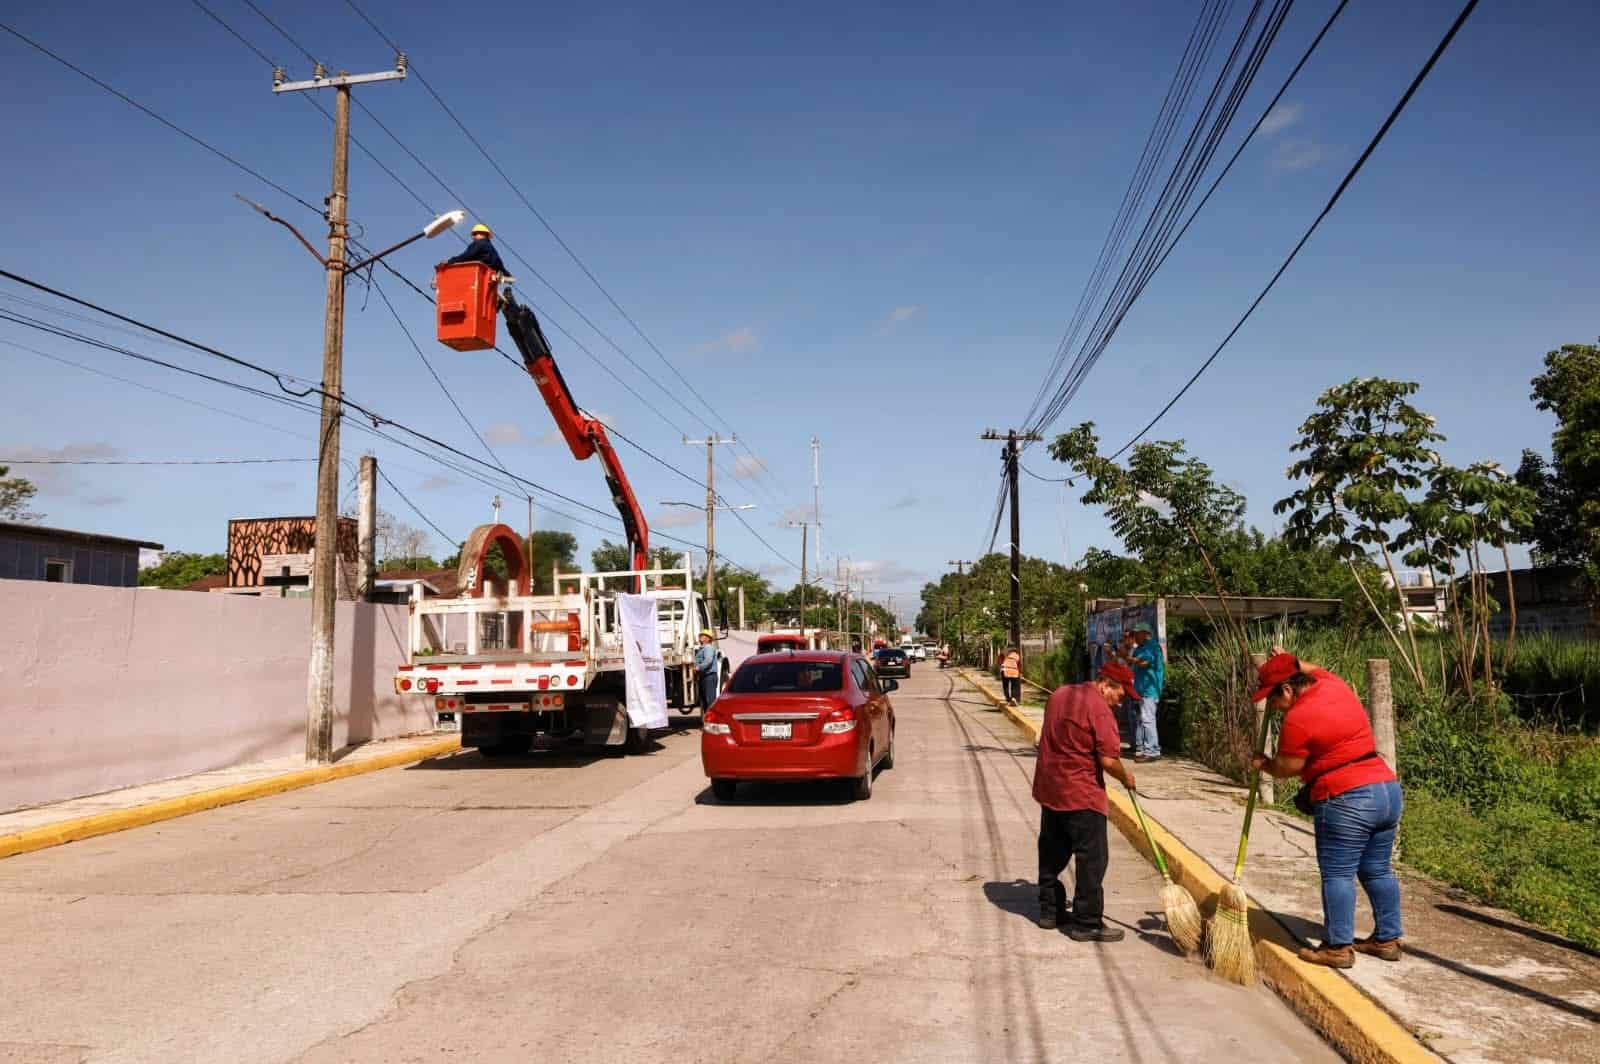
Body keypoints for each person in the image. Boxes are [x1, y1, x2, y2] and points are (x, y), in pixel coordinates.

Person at [1249, 650, 1404, 969]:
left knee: (1338, 875)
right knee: (1378, 870)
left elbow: (1288, 768)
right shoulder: (1333, 684)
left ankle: (1337, 947)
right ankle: (1387, 939)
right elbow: (1311, 667)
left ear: (1288, 689)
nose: (1273, 707)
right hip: (1386, 790)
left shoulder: (1298, 718)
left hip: (1347, 798)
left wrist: (1264, 763)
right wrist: (1289, 659)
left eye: (1273, 699)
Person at [1033, 660, 1138, 942]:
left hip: (1050, 788)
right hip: (1082, 794)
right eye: (1120, 695)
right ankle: (1087, 922)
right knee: (1092, 859)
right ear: (1105, 685)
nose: (1120, 703)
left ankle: (1050, 911)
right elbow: (1108, 760)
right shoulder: (1100, 710)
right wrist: (1125, 777)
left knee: (1052, 851)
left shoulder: (1059, 694)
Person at [1111, 622, 1165, 762]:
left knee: (1148, 720)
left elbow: (1143, 663)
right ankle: (1142, 748)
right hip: (1140, 689)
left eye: (1137, 633)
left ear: (1145, 634)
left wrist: (1127, 657)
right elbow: (1131, 663)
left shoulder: (1152, 647)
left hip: (1149, 689)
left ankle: (1152, 751)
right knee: (1141, 720)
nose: (1134, 636)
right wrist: (1122, 654)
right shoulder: (1140, 648)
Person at [444, 223, 508, 275]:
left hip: (477, 273)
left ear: (483, 234)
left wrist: (450, 261)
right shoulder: (491, 248)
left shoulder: (479, 244)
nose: (473, 237)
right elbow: (499, 263)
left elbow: (466, 256)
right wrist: (506, 273)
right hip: (487, 277)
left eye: (475, 234)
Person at [694, 629, 721, 712]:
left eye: (703, 635)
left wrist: (698, 668)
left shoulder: (708, 648)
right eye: (701, 635)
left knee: (710, 701)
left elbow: (708, 660)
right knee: (705, 702)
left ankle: (712, 718)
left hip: (709, 677)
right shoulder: (703, 648)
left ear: (708, 638)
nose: (700, 637)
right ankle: (708, 718)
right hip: (705, 677)